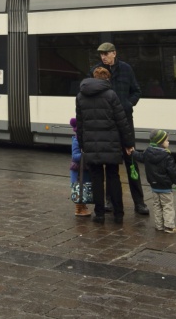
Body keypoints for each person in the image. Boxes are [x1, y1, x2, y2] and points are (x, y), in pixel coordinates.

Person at [91, 42, 149, 215]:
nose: (103, 57)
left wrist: (128, 104)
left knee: (131, 161)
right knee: (110, 163)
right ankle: (109, 200)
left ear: (114, 53)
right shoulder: (96, 71)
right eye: (101, 54)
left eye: (106, 53)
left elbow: (136, 91)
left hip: (124, 121)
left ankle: (139, 202)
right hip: (107, 124)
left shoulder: (126, 69)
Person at [75, 66, 134, 224]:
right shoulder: (111, 94)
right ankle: (118, 214)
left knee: (96, 179)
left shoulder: (81, 96)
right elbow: (121, 121)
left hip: (91, 145)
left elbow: (80, 124)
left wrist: (82, 144)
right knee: (113, 177)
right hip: (111, 143)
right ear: (107, 79)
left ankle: (99, 214)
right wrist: (128, 144)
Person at [133, 129, 176, 233]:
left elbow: (140, 157)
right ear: (160, 142)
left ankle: (159, 225)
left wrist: (133, 152)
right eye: (166, 141)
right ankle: (169, 227)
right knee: (167, 206)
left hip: (154, 186)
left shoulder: (147, 152)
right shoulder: (166, 156)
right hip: (165, 186)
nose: (168, 142)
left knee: (157, 206)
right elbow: (173, 172)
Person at [69, 117, 91, 218]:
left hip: (84, 170)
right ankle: (79, 209)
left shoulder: (82, 141)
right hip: (78, 171)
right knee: (78, 190)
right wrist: (85, 154)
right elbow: (75, 156)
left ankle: (83, 207)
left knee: (84, 189)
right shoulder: (76, 141)